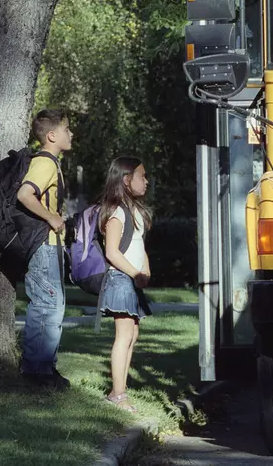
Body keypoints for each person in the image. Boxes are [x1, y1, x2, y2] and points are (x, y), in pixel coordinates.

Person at [17, 109, 73, 389]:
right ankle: (36, 371)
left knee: (53, 306)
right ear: (52, 135)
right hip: (43, 245)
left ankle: (45, 367)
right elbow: (25, 194)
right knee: (46, 305)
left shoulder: (52, 163)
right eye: (66, 130)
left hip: (52, 246)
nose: (71, 134)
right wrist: (51, 217)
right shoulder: (45, 163)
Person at [99, 157, 153, 413]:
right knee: (123, 336)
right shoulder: (117, 211)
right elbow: (112, 251)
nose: (146, 180)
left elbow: (139, 245)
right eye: (142, 175)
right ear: (125, 180)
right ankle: (117, 394)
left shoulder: (134, 210)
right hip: (121, 278)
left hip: (131, 279)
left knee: (132, 334)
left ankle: (120, 390)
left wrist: (146, 269)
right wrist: (134, 272)